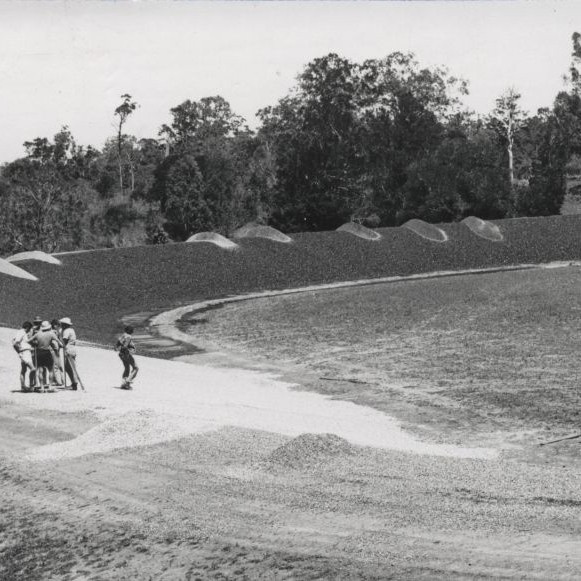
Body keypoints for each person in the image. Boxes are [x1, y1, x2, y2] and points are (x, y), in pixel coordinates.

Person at [30, 321, 62, 391]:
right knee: (50, 370)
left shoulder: (38, 333)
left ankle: (41, 387)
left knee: (40, 370)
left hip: (39, 352)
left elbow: (29, 340)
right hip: (47, 352)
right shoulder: (51, 334)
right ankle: (50, 386)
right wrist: (61, 346)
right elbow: (59, 342)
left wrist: (35, 343)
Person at [12, 322, 36, 391]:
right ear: (28, 328)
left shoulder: (20, 332)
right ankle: (31, 385)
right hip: (25, 352)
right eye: (29, 329)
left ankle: (23, 386)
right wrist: (19, 352)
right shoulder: (22, 332)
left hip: (24, 352)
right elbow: (15, 343)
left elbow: (14, 341)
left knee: (24, 370)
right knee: (33, 369)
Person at [60, 317, 79, 391]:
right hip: (72, 348)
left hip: (69, 349)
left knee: (70, 367)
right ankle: (73, 383)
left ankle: (74, 384)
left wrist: (60, 344)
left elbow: (64, 341)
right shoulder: (71, 330)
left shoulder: (67, 331)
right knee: (68, 367)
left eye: (62, 324)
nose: (61, 325)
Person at [50, 319, 64, 387]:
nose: (58, 326)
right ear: (54, 325)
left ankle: (60, 380)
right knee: (55, 366)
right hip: (54, 351)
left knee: (59, 366)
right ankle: (58, 381)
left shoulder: (56, 331)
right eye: (57, 325)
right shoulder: (51, 332)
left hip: (57, 350)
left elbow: (59, 339)